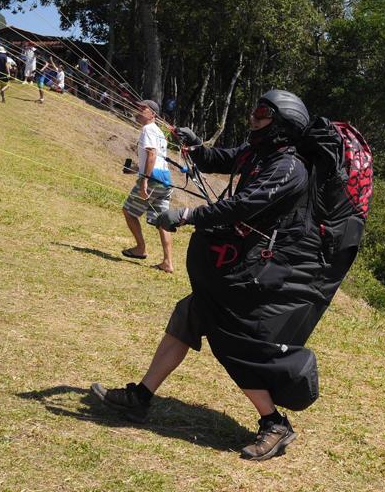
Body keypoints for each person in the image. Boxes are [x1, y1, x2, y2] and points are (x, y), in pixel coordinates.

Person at [91, 90, 322, 461]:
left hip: (255, 270)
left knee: (230, 341)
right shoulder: (258, 152)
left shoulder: (289, 167)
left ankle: (275, 424)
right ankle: (141, 397)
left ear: (281, 125)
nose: (252, 117)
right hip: (233, 263)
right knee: (188, 315)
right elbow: (220, 158)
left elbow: (243, 205)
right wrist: (195, 147)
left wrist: (185, 216)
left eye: (261, 113)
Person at [119, 99, 175, 273]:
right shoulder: (159, 132)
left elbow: (151, 154)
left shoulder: (148, 129)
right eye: (139, 107)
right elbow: (156, 158)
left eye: (143, 108)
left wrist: (144, 179)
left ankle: (140, 248)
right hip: (165, 180)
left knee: (128, 211)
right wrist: (136, 169)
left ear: (153, 114)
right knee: (162, 221)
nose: (139, 110)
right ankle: (168, 262)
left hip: (152, 180)